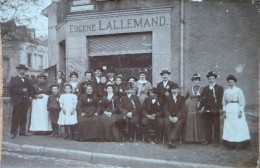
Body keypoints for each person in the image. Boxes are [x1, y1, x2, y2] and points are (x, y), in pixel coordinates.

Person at [222, 75, 250, 150]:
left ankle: (240, 143)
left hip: (236, 108)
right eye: (229, 82)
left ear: (235, 82)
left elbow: (242, 101)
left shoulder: (238, 90)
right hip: (228, 109)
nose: (230, 83)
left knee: (238, 126)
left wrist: (240, 110)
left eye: (232, 82)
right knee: (230, 126)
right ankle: (231, 143)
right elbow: (224, 102)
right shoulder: (226, 91)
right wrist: (224, 111)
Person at [198, 71, 223, 147]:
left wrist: (220, 109)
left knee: (216, 125)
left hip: (215, 110)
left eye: (212, 78)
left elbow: (221, 99)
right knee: (207, 125)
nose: (211, 80)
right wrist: (200, 108)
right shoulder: (205, 89)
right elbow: (202, 99)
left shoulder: (219, 88)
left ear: (215, 79)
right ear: (208, 79)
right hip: (207, 110)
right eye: (209, 79)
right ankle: (208, 139)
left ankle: (216, 141)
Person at [9, 64, 32, 139]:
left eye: (24, 70)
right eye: (21, 70)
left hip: (25, 101)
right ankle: (13, 133)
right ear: (18, 71)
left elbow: (31, 89)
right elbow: (11, 90)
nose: (22, 71)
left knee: (24, 117)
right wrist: (21, 90)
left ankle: (22, 132)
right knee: (15, 117)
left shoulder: (27, 80)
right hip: (17, 101)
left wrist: (31, 96)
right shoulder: (13, 79)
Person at [184, 73, 205, 143]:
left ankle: (199, 139)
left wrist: (201, 104)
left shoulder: (202, 88)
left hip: (199, 105)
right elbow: (185, 97)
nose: (196, 82)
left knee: (198, 121)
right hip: (190, 106)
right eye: (194, 80)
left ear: (199, 81)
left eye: (197, 80)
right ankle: (189, 139)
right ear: (192, 81)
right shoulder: (189, 88)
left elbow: (204, 98)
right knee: (190, 120)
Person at [164, 84, 185, 148]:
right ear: (171, 90)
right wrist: (169, 117)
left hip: (178, 117)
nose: (174, 91)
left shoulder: (181, 98)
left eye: (176, 89)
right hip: (169, 116)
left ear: (178, 90)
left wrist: (177, 117)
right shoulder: (168, 98)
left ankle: (171, 140)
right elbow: (165, 109)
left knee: (178, 123)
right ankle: (172, 141)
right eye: (173, 89)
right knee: (166, 122)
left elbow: (182, 109)